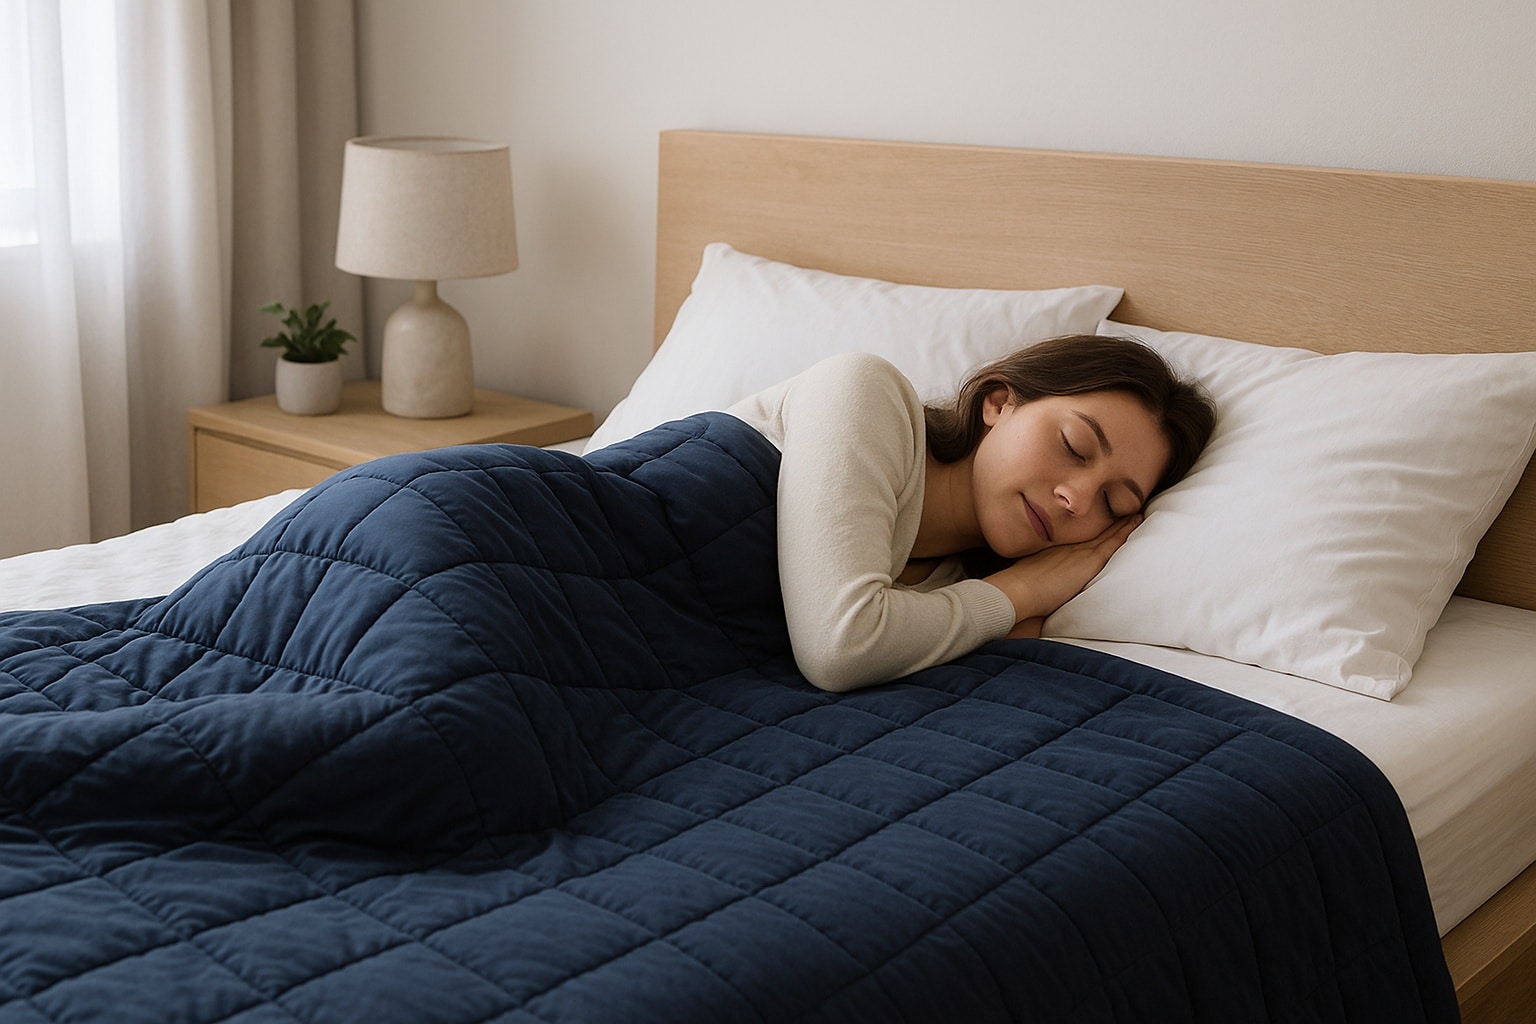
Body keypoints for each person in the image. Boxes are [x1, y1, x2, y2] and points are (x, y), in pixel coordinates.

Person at [726, 335, 1216, 692]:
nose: (1078, 499)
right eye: (1074, 445)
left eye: (1115, 504)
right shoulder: (863, 391)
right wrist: (1023, 590)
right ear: (999, 403)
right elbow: (839, 647)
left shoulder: (958, 601)